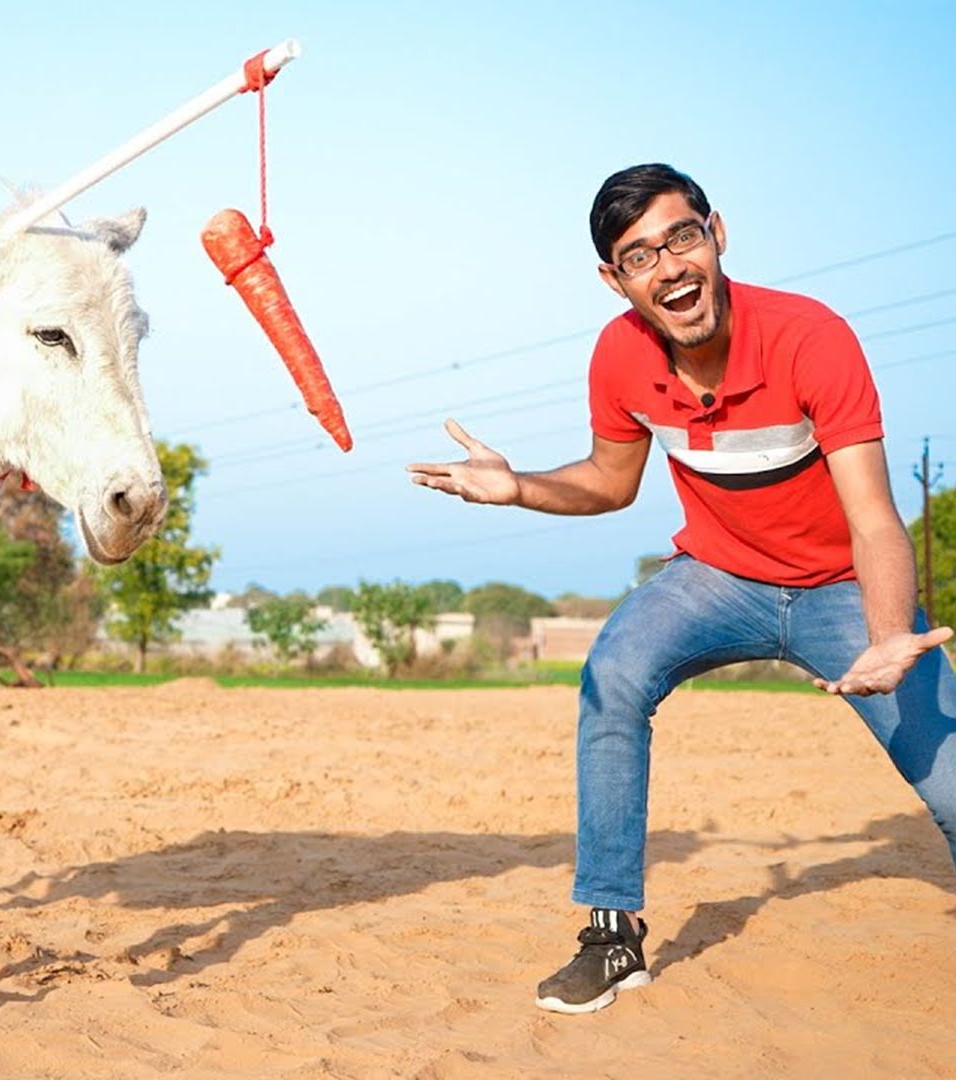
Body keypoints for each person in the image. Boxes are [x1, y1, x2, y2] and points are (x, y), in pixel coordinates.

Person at [407, 163, 956, 1015]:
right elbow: (607, 480)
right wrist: (519, 488)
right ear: (614, 281)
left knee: (951, 780)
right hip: (717, 575)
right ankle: (612, 939)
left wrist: (887, 635)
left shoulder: (811, 336)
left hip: (843, 588)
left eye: (681, 237)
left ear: (716, 233)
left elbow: (876, 517)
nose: (668, 267)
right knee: (612, 677)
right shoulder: (620, 355)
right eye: (638, 257)